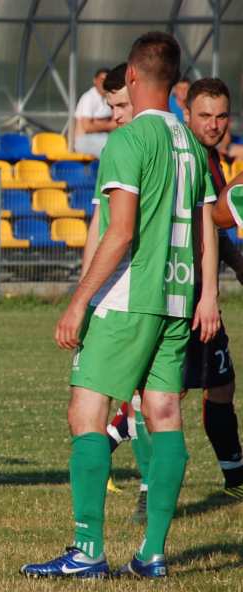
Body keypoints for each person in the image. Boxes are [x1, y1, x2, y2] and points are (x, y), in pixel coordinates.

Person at [21, 32, 220, 580]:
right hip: (177, 299)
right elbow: (206, 223)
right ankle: (152, 554)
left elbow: (121, 231)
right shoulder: (190, 143)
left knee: (86, 413)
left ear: (132, 76)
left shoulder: (129, 140)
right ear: (174, 82)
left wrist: (78, 301)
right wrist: (208, 294)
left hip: (130, 298)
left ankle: (87, 551)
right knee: (164, 415)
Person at [80, 63, 154, 520]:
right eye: (111, 107)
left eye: (123, 105)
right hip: (108, 294)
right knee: (104, 399)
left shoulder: (150, 146)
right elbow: (98, 224)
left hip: (141, 292)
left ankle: (146, 488)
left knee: (150, 401)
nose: (117, 115)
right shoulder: (116, 150)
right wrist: (84, 292)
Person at [184, 78, 243, 499]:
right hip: (183, 292)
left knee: (220, 384)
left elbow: (216, 227)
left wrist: (237, 264)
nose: (214, 123)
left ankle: (235, 478)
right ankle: (144, 486)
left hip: (204, 292)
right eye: (205, 115)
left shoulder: (211, 158)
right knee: (163, 394)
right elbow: (206, 220)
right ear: (188, 114)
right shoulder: (187, 159)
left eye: (221, 115)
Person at [73, 68, 115, 157]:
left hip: (102, 137)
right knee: (110, 146)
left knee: (119, 142)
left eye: (107, 80)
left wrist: (97, 123)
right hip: (83, 140)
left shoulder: (109, 97)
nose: (104, 83)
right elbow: (87, 127)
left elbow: (116, 122)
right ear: (95, 80)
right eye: (102, 79)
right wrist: (109, 125)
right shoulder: (88, 98)